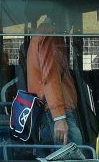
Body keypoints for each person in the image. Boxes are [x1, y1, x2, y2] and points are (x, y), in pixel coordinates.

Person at [26, 15, 83, 145]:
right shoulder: (49, 35)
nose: (72, 26)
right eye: (72, 18)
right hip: (56, 112)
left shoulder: (44, 34)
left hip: (51, 111)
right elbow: (50, 76)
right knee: (73, 160)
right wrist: (59, 117)